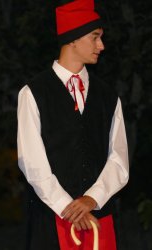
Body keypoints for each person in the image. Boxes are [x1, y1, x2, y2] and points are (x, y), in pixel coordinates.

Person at [17, 0, 129, 249]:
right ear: (74, 39)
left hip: (100, 218)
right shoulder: (33, 92)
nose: (102, 45)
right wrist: (68, 207)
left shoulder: (108, 96)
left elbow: (119, 160)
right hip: (52, 219)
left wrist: (91, 199)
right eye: (95, 37)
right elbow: (32, 162)